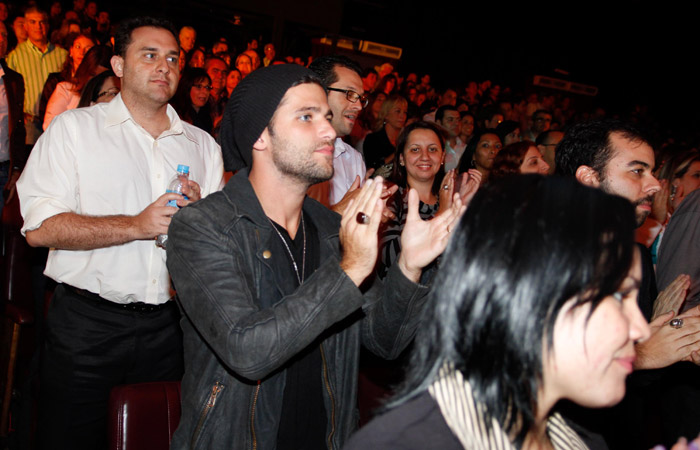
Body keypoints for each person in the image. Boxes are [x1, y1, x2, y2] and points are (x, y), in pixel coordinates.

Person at [167, 64, 463, 450]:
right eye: (306, 117)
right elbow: (247, 349)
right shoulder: (203, 226)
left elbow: (382, 341)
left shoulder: (329, 228)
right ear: (261, 136)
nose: (328, 130)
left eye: (326, 116)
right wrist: (350, 269)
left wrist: (409, 267)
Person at [16, 16, 224, 450]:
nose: (163, 66)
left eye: (172, 58)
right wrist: (136, 225)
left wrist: (201, 219)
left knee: (153, 440)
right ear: (118, 65)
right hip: (88, 327)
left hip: (171, 329)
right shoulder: (75, 131)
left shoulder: (203, 146)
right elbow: (38, 229)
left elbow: (214, 249)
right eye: (149, 55)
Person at [345, 175, 651, 449]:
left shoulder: (585, 439)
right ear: (531, 293)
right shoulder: (403, 443)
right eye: (620, 294)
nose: (641, 329)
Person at [555, 119, 698, 449]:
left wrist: (675, 341)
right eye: (637, 171)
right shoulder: (537, 257)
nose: (654, 185)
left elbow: (639, 384)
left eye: (652, 172)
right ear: (589, 178)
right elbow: (528, 372)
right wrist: (641, 354)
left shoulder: (635, 258)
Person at [379, 120, 480, 278]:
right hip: (404, 297)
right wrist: (442, 214)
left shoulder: (449, 199)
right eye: (415, 149)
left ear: (442, 158)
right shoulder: (390, 197)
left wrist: (461, 212)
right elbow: (390, 257)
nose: (425, 156)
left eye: (432, 149)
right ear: (401, 159)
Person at [308, 54, 368, 206]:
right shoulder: (288, 151)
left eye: (360, 98)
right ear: (319, 91)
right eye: (350, 94)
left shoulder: (353, 158)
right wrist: (337, 213)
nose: (359, 106)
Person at [7, 7, 67, 145]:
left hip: (58, 122)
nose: (38, 26)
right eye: (33, 22)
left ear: (48, 25)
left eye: (42, 22)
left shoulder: (62, 55)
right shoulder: (15, 56)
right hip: (30, 124)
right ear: (25, 26)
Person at [43, 44, 111, 129]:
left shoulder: (114, 96)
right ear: (85, 71)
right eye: (93, 75)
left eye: (102, 76)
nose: (97, 81)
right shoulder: (66, 89)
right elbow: (50, 125)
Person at [0, 20, 26, 217]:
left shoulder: (14, 80)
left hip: (4, 170)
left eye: (4, 35)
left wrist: (16, 169)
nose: (0, 40)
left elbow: (18, 128)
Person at [362, 93, 407, 171]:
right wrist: (397, 152)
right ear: (386, 114)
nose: (402, 116)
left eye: (405, 112)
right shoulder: (373, 139)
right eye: (398, 111)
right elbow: (373, 169)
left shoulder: (406, 139)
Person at [171, 67, 213, 134]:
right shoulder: (175, 114)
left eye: (207, 87)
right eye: (199, 87)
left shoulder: (207, 116)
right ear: (187, 87)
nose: (205, 92)